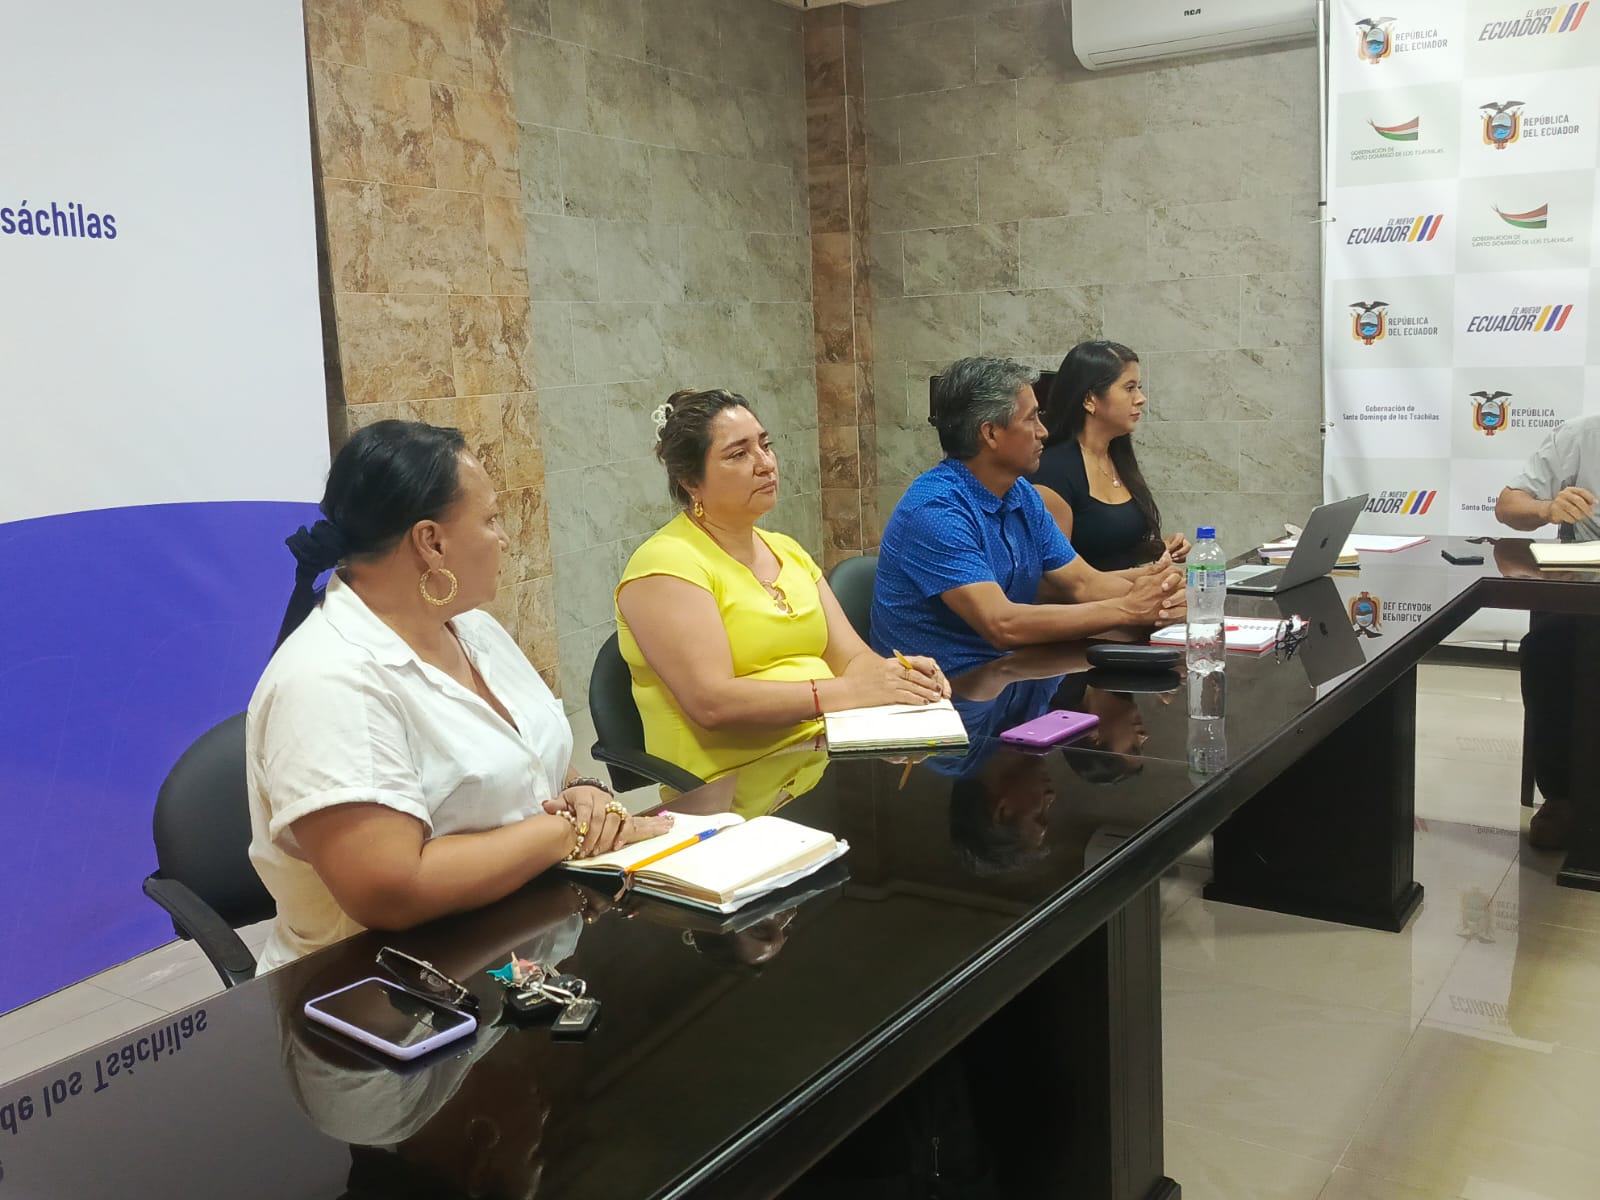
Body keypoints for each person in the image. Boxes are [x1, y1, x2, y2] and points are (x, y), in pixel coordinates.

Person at [247, 420, 672, 970]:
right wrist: (565, 831)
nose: (505, 539)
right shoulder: (328, 680)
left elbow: (527, 761)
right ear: (431, 541)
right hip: (375, 989)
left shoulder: (471, 628)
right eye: (491, 520)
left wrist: (582, 792)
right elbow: (392, 890)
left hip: (514, 943)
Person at [615, 388, 949, 784]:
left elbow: (853, 659)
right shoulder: (666, 565)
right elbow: (713, 703)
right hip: (730, 789)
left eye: (765, 445)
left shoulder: (786, 549)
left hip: (821, 762)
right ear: (691, 481)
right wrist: (850, 691)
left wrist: (901, 678)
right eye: (738, 454)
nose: (765, 464)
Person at [871, 356, 1187, 678]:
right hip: (947, 690)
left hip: (1014, 675)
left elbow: (1083, 583)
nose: (1043, 432)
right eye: (1032, 418)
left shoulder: (1021, 493)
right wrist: (1128, 608)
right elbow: (1002, 625)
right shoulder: (935, 509)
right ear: (991, 434)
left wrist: (1166, 598)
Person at [1494, 415, 1600, 850]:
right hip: (1588, 590)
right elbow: (1508, 505)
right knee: (1546, 650)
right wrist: (1546, 508)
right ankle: (1561, 795)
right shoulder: (1582, 435)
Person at [1030, 340, 1190, 570]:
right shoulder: (1053, 472)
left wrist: (1160, 549)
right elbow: (1056, 577)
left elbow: (1113, 550)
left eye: (1139, 387)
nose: (1141, 398)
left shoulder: (1117, 457)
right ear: (1090, 399)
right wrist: (1146, 577)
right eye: (1129, 388)